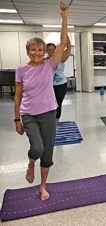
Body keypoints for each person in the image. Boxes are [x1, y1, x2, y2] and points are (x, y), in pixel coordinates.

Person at [14, 3, 68, 200]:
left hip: (48, 114)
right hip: (29, 115)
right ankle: (30, 163)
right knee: (37, 148)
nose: (36, 53)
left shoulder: (49, 65)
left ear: (44, 51)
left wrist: (64, 17)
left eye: (40, 49)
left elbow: (62, 43)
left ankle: (43, 186)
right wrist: (17, 119)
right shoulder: (20, 70)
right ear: (28, 51)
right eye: (33, 49)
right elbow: (18, 96)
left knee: (47, 153)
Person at [46, 35, 71, 122]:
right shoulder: (45, 61)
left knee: (58, 103)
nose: (51, 51)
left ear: (56, 50)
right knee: (51, 103)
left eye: (53, 49)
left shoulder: (61, 58)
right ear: (46, 51)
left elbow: (68, 49)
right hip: (49, 86)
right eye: (49, 49)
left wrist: (66, 35)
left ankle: (56, 121)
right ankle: (51, 120)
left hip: (61, 85)